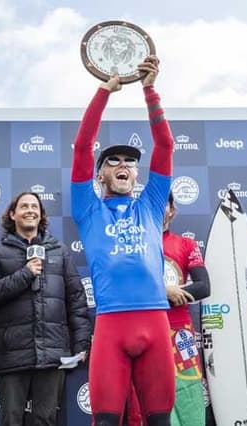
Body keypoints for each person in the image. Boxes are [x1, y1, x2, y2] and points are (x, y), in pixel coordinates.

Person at [70, 55, 176, 426]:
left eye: (129, 162)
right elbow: (82, 148)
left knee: (160, 421)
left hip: (155, 322)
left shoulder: (150, 204)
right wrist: (104, 92)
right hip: (112, 325)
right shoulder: (88, 209)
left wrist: (149, 90)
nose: (122, 166)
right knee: (107, 422)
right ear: (100, 175)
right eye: (113, 161)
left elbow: (165, 147)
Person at [0, 191, 92, 426]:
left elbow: (76, 300)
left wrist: (81, 344)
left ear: (41, 215)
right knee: (11, 421)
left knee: (45, 420)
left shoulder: (59, 251)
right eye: (24, 206)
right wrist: (25, 274)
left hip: (52, 354)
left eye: (35, 207)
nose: (30, 210)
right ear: (12, 214)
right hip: (13, 355)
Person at [126, 191, 212, 426]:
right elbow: (125, 287)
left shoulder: (186, 244)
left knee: (190, 400)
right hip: (144, 332)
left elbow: (204, 287)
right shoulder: (131, 246)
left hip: (179, 333)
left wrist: (173, 293)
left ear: (172, 210)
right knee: (149, 403)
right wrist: (164, 291)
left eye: (163, 202)